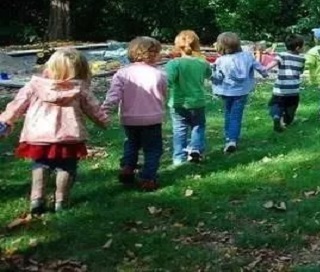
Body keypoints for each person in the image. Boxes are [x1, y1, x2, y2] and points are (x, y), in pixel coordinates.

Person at [0, 48, 109, 214]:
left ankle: (37, 199)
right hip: (69, 136)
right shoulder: (80, 90)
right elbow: (94, 109)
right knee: (66, 168)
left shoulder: (34, 86)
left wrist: (6, 120)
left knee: (40, 165)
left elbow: (17, 104)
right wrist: (103, 122)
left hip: (39, 135)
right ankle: (61, 201)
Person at [102, 37, 167, 191]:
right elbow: (163, 93)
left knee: (131, 143)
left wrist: (104, 111)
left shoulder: (122, 73)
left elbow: (113, 96)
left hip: (129, 118)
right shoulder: (159, 74)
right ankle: (148, 178)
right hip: (152, 118)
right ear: (152, 54)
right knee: (153, 149)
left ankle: (128, 167)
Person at [211, 32, 269, 153]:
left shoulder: (220, 60)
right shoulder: (247, 56)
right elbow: (258, 66)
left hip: (226, 92)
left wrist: (213, 81)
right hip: (242, 91)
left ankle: (228, 137)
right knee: (236, 115)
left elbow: (217, 77)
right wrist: (264, 73)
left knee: (228, 112)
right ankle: (232, 139)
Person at [166, 30, 212, 165]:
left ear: (177, 46)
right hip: (198, 102)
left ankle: (178, 158)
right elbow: (209, 74)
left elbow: (167, 81)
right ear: (197, 45)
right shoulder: (202, 63)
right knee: (198, 126)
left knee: (179, 129)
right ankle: (195, 149)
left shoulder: (173, 64)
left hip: (177, 102)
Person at [266, 35, 306, 132]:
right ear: (298, 48)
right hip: (293, 90)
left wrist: (265, 69)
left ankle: (276, 116)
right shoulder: (302, 59)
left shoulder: (282, 55)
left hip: (280, 89)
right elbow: (300, 71)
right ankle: (286, 121)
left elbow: (273, 63)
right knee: (291, 108)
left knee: (275, 104)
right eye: (303, 46)